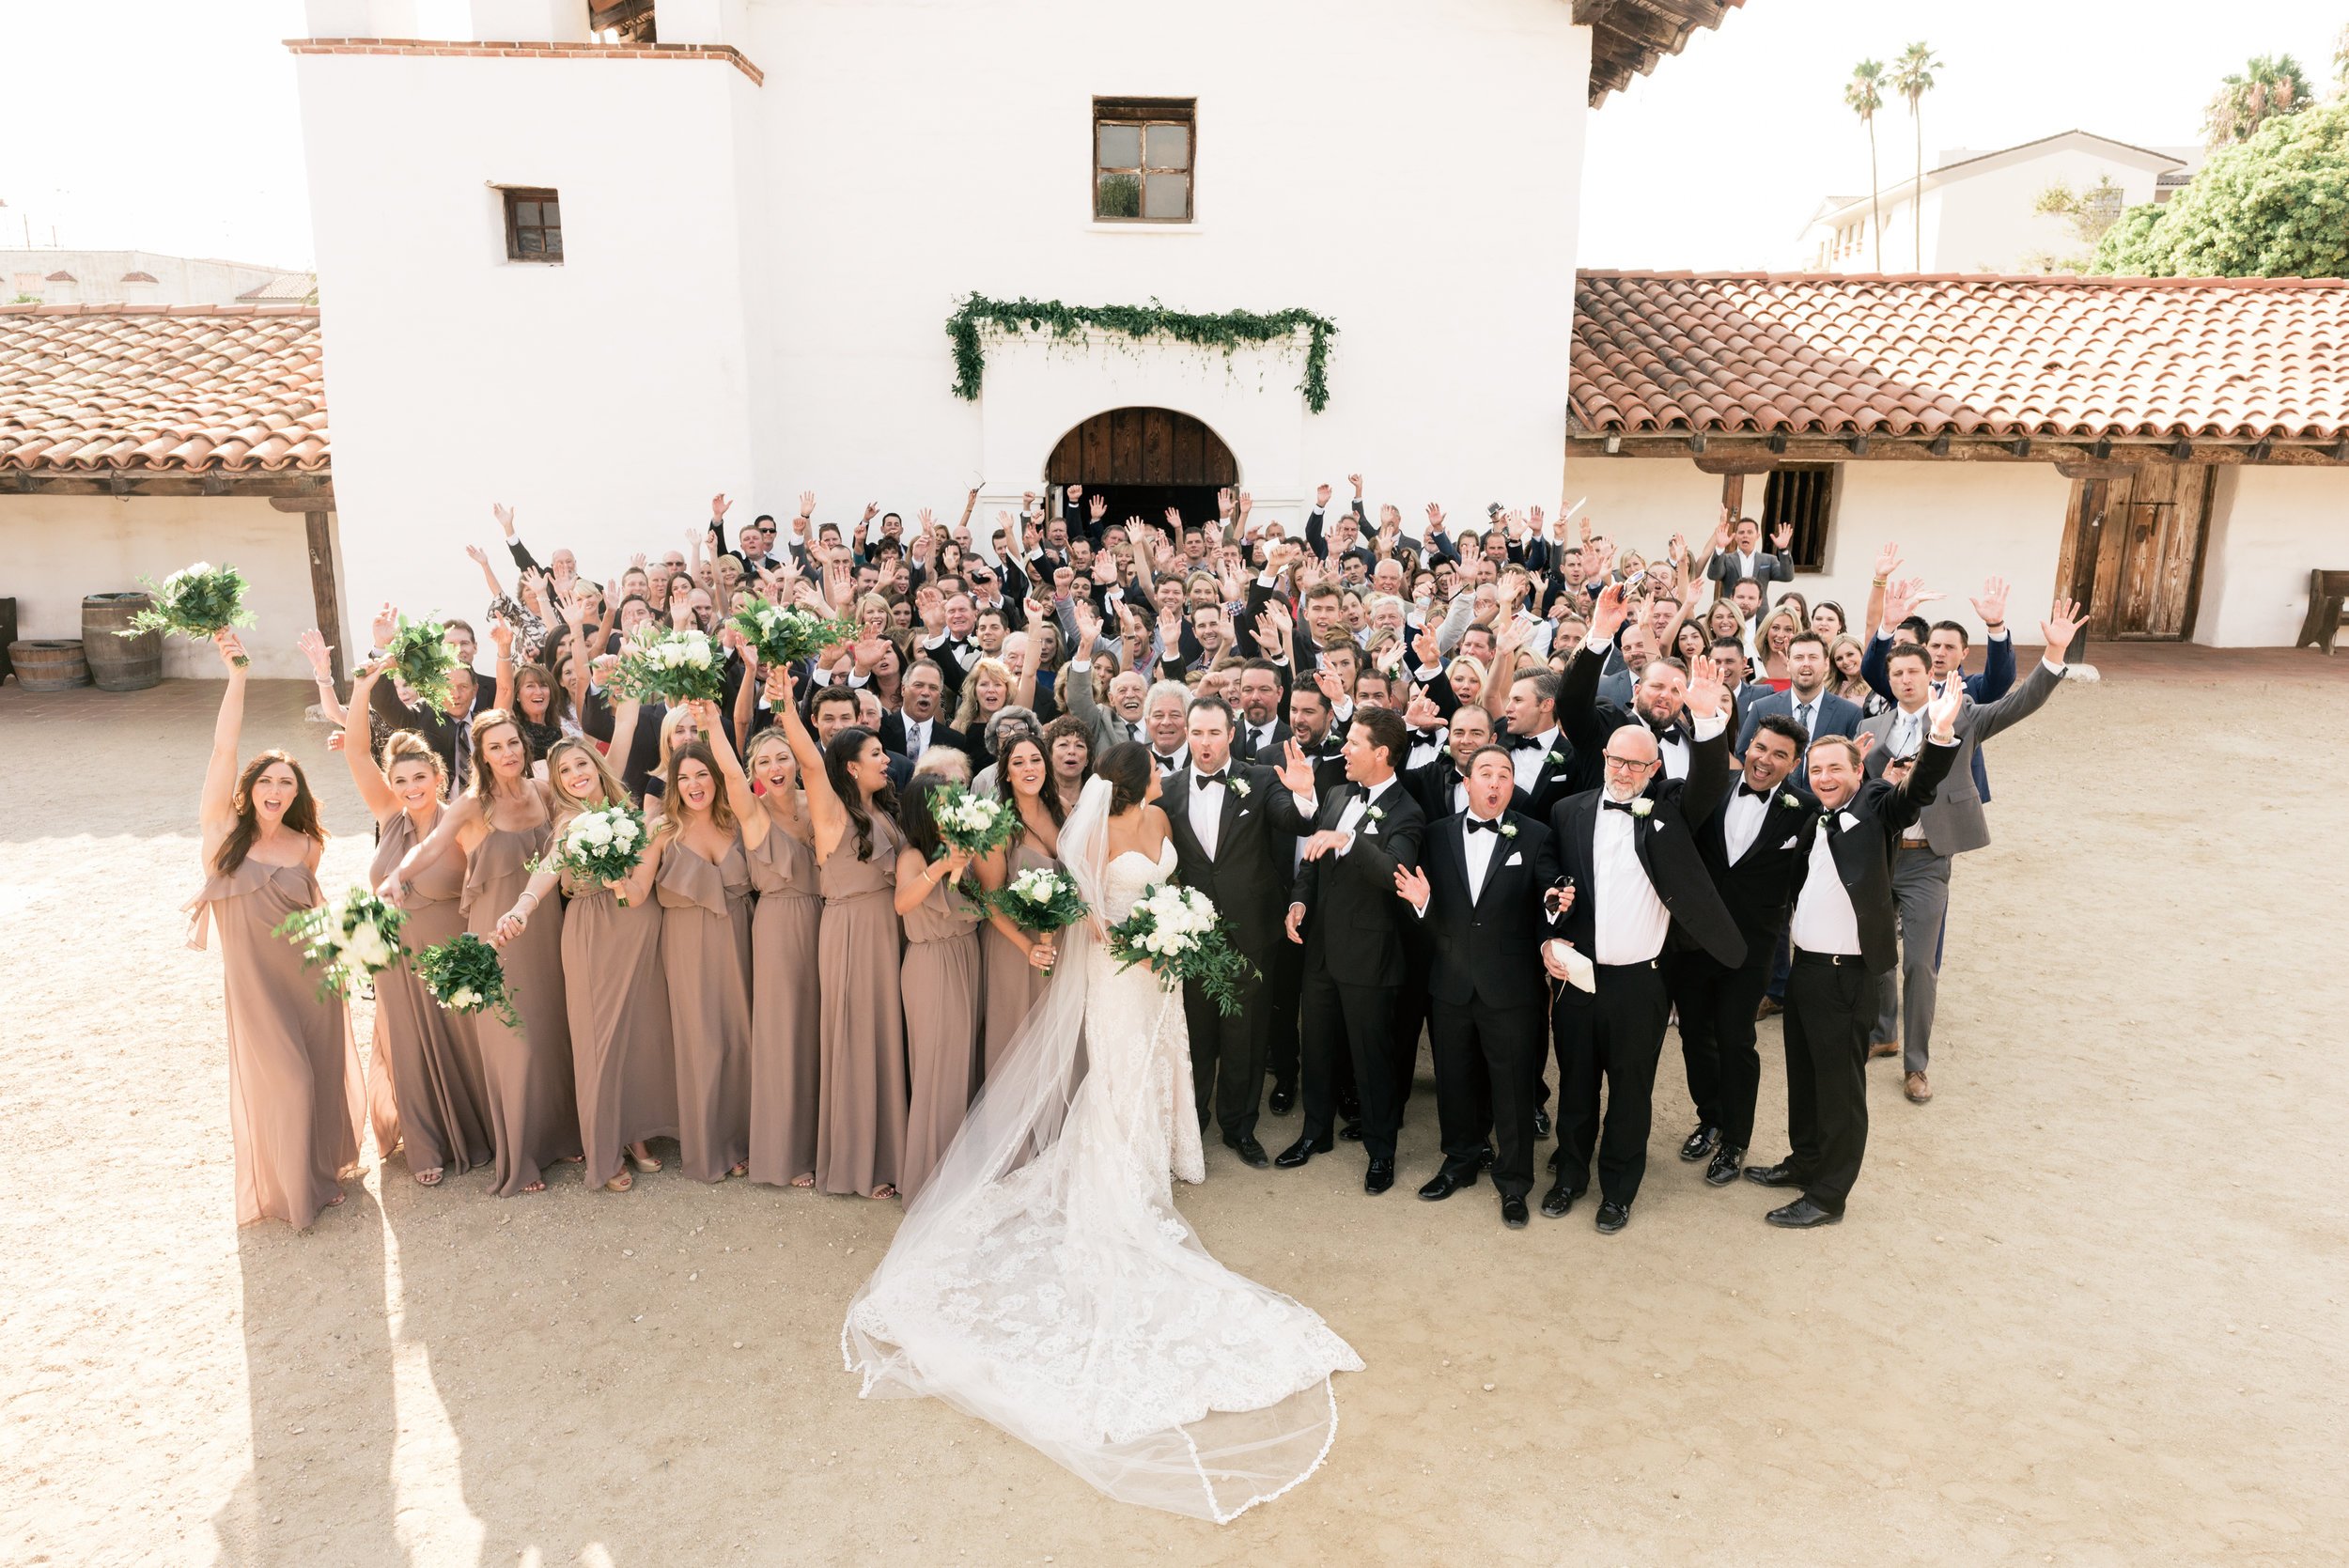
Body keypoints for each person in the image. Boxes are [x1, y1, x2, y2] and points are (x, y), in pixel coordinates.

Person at [844, 745, 1362, 1523]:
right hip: (1118, 962)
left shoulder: (1160, 815)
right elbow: (1082, 898)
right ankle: (1121, 1163)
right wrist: (1122, 933)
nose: (1164, 777)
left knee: (1164, 1058)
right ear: (1135, 776)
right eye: (1154, 768)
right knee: (1119, 1065)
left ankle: (1170, 1149)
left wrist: (1176, 924)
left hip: (1164, 961)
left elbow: (1174, 877)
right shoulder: (1089, 830)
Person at [1539, 654, 1741, 1234]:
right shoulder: (1568, 811)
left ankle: (1618, 1190)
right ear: (1602, 758)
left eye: (1637, 764)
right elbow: (1552, 878)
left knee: (1631, 1092)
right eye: (1616, 760)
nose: (1624, 771)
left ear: (1654, 768)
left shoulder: (1673, 810)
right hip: (1579, 976)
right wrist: (1552, 923)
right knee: (1576, 1086)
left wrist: (1706, 721)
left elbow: (1708, 781)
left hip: (1641, 981)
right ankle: (1570, 1177)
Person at [1745, 689, 1962, 1228]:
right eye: (1815, 769)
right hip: (1807, 969)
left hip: (1849, 975)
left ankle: (1828, 1196)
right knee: (1805, 1075)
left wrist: (1939, 735)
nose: (1823, 777)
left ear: (1857, 768)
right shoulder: (1812, 815)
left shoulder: (1875, 805)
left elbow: (1916, 793)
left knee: (1840, 1089)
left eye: (1834, 768)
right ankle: (1806, 1161)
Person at [1855, 599, 2080, 1103]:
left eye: (1915, 671)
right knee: (1878, 957)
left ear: (1932, 674)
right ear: (1888, 680)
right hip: (1880, 855)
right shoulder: (1876, 729)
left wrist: (2054, 653)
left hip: (1928, 860)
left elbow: (2019, 704)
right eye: (1898, 673)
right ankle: (1883, 1034)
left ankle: (1917, 1065)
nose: (1907, 679)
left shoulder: (1965, 716)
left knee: (1919, 963)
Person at [187, 631, 365, 1227]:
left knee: (316, 1073)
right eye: (266, 781)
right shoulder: (221, 833)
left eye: (287, 783)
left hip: (312, 977)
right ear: (249, 788)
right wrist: (238, 675)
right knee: (287, 1082)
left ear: (297, 794)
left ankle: (319, 1173)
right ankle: (290, 1189)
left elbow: (312, 913)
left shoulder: (307, 844)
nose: (275, 790)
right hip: (256, 987)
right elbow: (222, 749)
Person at [382, 707, 582, 1196]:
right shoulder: (470, 805)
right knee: (513, 1040)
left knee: (555, 1028)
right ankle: (522, 1156)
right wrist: (399, 875)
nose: (508, 753)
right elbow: (429, 848)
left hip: (546, 921)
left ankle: (561, 1135)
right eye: (495, 747)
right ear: (482, 756)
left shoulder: (541, 790)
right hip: (497, 932)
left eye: (513, 743)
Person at [1392, 745, 1561, 1228]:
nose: (1495, 782)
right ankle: (1461, 1161)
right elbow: (1423, 905)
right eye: (1485, 773)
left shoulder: (1536, 835)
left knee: (1512, 1089)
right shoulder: (1436, 835)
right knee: (1454, 1081)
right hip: (1450, 982)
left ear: (1512, 786)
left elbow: (1549, 892)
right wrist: (1420, 904)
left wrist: (1553, 901)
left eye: (1504, 775)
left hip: (1511, 987)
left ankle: (1514, 1183)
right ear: (1465, 783)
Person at [497, 736, 675, 1193]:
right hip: (594, 930)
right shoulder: (571, 822)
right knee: (600, 1039)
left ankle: (634, 1133)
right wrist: (522, 906)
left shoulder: (631, 812)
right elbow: (551, 865)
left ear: (596, 765)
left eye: (581, 764)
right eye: (564, 773)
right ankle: (605, 1147)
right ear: (558, 784)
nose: (577, 775)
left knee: (638, 1033)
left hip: (641, 928)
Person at [339, 660, 493, 1188]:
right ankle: (425, 1143)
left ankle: (483, 1134)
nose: (410, 787)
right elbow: (357, 751)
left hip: (449, 950)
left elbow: (487, 883)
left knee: (465, 1042)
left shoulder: (461, 821)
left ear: (437, 776)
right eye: (401, 779)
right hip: (393, 956)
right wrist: (360, 689)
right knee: (407, 1044)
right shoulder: (387, 816)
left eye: (419, 777)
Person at [1155, 697, 1319, 1167]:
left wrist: (1305, 795)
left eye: (1213, 733)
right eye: (1196, 733)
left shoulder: (1262, 779)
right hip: (1189, 936)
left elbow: (1294, 820)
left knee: (1245, 1036)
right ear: (1187, 734)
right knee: (1196, 1035)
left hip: (1252, 931)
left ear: (1231, 733)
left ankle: (1239, 1127)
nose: (1204, 743)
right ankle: (1192, 1124)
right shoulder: (1166, 789)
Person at [1278, 707, 1425, 1192]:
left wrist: (1351, 839)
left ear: (1381, 754)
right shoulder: (1338, 793)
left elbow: (1395, 876)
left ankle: (1381, 1152)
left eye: (1354, 744)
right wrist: (1300, 901)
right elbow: (1312, 862)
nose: (1344, 750)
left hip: (1371, 958)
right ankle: (1314, 1134)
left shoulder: (1408, 810)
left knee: (1371, 1058)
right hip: (1319, 950)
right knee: (1316, 1049)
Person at [776, 678, 908, 1199]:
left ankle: (889, 1152)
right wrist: (785, 702)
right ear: (851, 766)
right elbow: (811, 762)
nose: (886, 759)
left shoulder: (882, 811)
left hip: (887, 931)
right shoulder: (830, 810)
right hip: (851, 930)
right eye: (876, 753)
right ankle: (857, 1162)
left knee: (883, 1038)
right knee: (855, 1039)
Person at [1672, 714, 1816, 1188]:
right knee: (1695, 1034)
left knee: (1736, 1040)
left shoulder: (1805, 811)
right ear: (1746, 746)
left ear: (1795, 763)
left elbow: (1804, 883)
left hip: (1753, 949)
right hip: (1692, 941)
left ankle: (1735, 1139)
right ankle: (1708, 1117)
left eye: (1780, 755)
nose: (1765, 761)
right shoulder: (1711, 786)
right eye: (1760, 748)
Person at [644, 714, 756, 1181]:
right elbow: (632, 892)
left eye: (702, 775)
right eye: (684, 777)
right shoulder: (660, 830)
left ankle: (751, 1137)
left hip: (742, 937)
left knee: (744, 1035)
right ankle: (710, 1144)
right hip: (686, 944)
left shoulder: (740, 823)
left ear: (716, 779)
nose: (694, 784)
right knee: (702, 1041)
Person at [893, 775, 987, 1203]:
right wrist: (939, 868)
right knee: (935, 1070)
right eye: (943, 805)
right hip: (931, 963)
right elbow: (903, 902)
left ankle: (957, 1171)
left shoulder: (964, 850)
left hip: (967, 956)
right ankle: (927, 1182)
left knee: (960, 1067)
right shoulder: (913, 855)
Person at [741, 709, 824, 1188]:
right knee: (783, 1032)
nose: (775, 766)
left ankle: (824, 1141)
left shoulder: (820, 803)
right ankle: (786, 1151)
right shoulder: (752, 812)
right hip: (775, 925)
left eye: (783, 758)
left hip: (826, 921)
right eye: (764, 761)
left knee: (821, 1030)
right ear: (754, 773)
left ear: (796, 762)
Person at [974, 732, 1064, 1076]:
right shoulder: (996, 825)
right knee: (1016, 1041)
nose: (1029, 768)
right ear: (1006, 773)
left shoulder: (1063, 813)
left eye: (1036, 760)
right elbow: (988, 900)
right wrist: (1027, 947)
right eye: (1018, 762)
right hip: (1014, 947)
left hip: (1059, 945)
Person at [1736, 631, 1863, 787]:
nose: (1806, 663)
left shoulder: (1850, 713)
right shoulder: (1761, 708)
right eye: (1799, 657)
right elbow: (1743, 755)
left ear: (1826, 664)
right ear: (1788, 664)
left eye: (1813, 657)